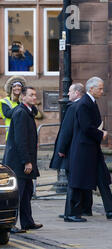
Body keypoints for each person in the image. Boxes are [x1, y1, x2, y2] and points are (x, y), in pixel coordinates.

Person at [68, 77, 112, 222]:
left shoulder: (91, 102)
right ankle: (71, 214)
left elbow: (95, 123)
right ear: (91, 89)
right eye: (100, 88)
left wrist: (102, 130)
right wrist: (101, 134)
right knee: (78, 181)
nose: (102, 91)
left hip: (92, 149)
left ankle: (111, 210)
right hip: (84, 149)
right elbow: (86, 127)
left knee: (102, 178)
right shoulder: (84, 104)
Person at [3, 86, 42, 233]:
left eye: (35, 95)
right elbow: (20, 140)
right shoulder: (20, 113)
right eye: (31, 95)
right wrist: (26, 161)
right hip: (18, 162)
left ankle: (27, 222)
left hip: (24, 160)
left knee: (27, 193)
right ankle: (10, 224)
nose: (34, 97)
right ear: (23, 97)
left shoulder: (27, 112)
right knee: (17, 195)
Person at [49, 83, 85, 218]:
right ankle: (71, 212)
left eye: (70, 91)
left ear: (77, 93)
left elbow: (66, 131)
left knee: (73, 182)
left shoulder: (73, 107)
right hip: (75, 151)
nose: (67, 94)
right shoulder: (77, 106)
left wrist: (61, 149)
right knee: (74, 182)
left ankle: (70, 213)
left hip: (71, 151)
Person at [1, 76, 26, 141]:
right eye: (14, 86)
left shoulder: (25, 101)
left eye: (19, 86)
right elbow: (8, 114)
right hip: (11, 136)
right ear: (11, 88)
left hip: (24, 134)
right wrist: (22, 105)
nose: (17, 88)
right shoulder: (5, 101)